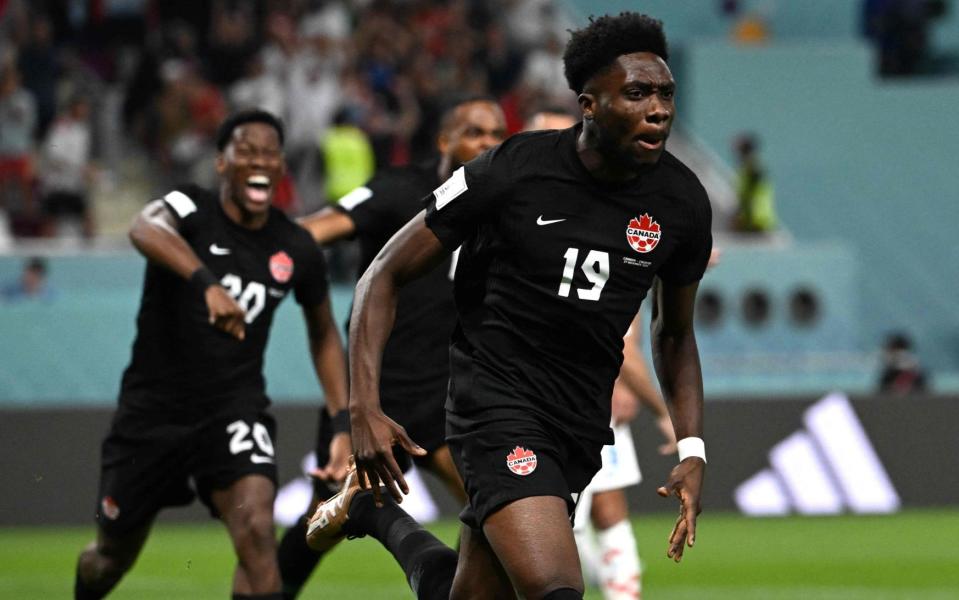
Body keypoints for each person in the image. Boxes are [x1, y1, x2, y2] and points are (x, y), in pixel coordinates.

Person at [309, 12, 712, 600]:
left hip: (578, 420)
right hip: (493, 402)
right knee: (554, 589)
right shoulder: (514, 170)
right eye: (637, 93)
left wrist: (692, 446)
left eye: (666, 94)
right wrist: (362, 406)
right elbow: (382, 274)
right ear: (589, 104)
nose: (659, 109)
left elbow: (674, 335)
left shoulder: (682, 204)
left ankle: (374, 514)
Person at [73, 109, 350, 600]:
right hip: (151, 415)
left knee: (258, 535)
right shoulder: (191, 207)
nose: (258, 161)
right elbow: (144, 228)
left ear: (281, 166)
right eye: (245, 151)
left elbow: (324, 333)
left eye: (269, 153)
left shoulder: (295, 245)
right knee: (109, 559)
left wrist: (342, 424)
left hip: (232, 411)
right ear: (222, 162)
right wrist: (206, 283)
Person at [277, 95, 506, 599]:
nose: (487, 144)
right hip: (378, 390)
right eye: (475, 132)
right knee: (323, 517)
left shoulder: (501, 205)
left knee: (498, 511)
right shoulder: (401, 189)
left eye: (496, 135)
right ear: (445, 140)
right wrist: (262, 249)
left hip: (449, 393)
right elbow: (324, 226)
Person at [523, 106, 678, 600]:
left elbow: (609, 320)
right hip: (537, 402)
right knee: (549, 526)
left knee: (606, 508)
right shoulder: (515, 217)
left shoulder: (592, 213)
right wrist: (661, 409)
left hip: (587, 397)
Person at [731, 133, 777, 233]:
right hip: (754, 220)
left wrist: (739, 215)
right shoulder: (748, 168)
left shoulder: (751, 167)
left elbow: (748, 196)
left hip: (756, 219)